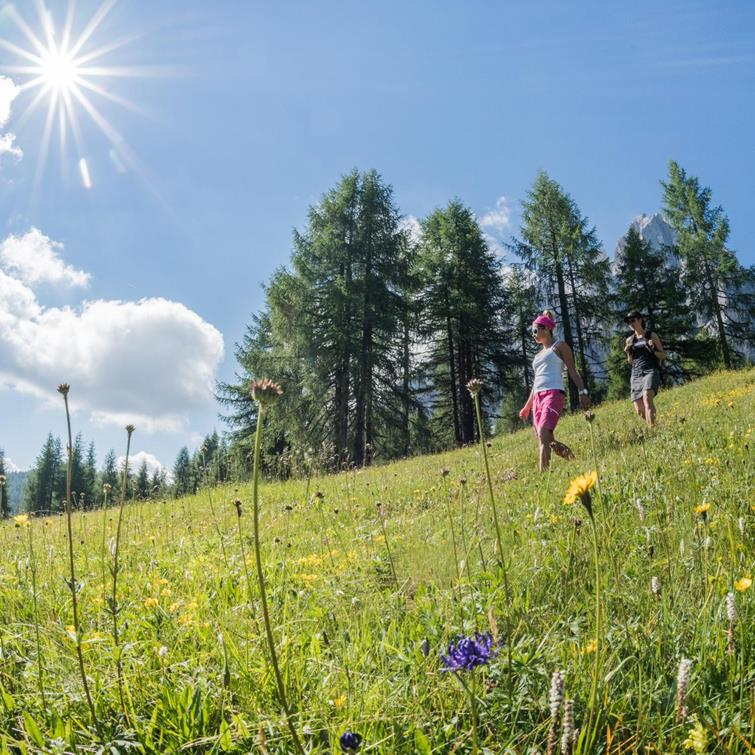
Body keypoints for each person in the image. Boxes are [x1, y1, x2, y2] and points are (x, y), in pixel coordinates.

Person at [519, 310, 592, 471]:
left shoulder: (560, 346)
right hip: (538, 397)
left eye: (535, 330)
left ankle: (543, 476)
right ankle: (575, 461)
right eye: (532, 332)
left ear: (546, 328)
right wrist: (527, 405)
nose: (534, 335)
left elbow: (573, 370)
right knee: (545, 440)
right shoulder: (538, 356)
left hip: (553, 394)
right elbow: (536, 382)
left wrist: (583, 392)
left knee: (544, 434)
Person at [623, 310, 665, 426]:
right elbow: (630, 362)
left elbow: (662, 355)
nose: (631, 323)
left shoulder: (651, 335)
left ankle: (652, 430)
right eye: (628, 322)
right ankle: (656, 425)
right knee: (639, 409)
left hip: (650, 370)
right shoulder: (629, 340)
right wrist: (628, 352)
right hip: (636, 373)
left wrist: (652, 350)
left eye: (633, 320)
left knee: (647, 397)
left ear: (640, 320)